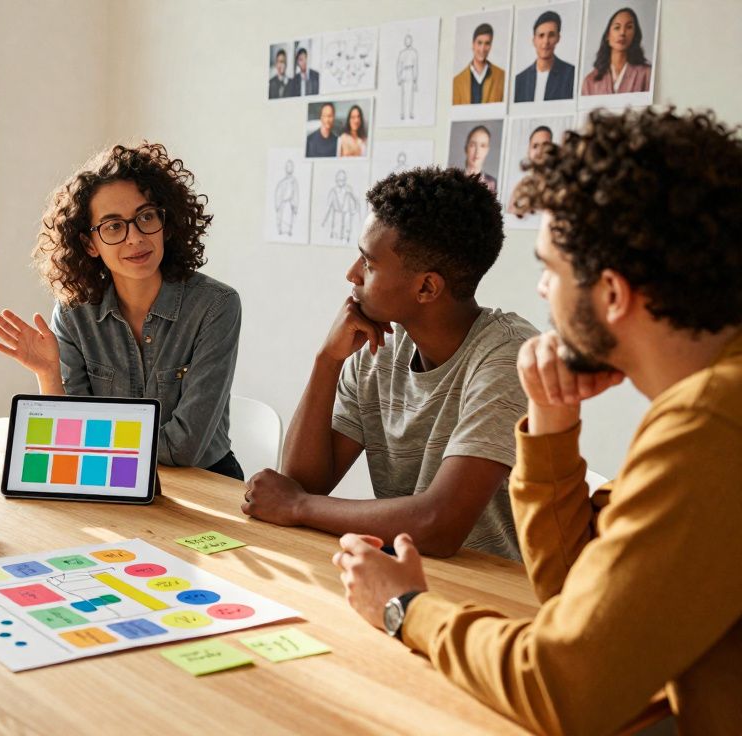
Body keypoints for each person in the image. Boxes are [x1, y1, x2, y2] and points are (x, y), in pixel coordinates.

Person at [332, 108, 742, 735]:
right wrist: (551, 426)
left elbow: (561, 686)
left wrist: (407, 608)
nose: (544, 293)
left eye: (550, 270)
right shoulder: (709, 403)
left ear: (611, 294)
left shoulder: (710, 425)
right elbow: (576, 600)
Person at [243, 166, 536, 560]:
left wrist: (299, 508)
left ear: (427, 287)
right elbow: (302, 483)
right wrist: (326, 361)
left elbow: (438, 525)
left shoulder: (508, 357)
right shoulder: (379, 344)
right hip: (402, 574)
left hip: (493, 595)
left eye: (368, 263)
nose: (352, 274)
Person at [0, 142, 244, 480]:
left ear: (166, 223)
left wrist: (93, 437)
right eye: (113, 226)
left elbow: (185, 449)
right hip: (111, 478)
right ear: (89, 244)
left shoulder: (215, 306)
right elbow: (67, 441)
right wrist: (48, 373)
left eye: (146, 217)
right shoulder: (72, 313)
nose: (135, 237)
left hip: (204, 482)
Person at [581, 7, 652, 95]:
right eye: (617, 27)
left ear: (635, 35)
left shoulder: (647, 74)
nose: (622, 33)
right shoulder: (590, 81)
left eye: (629, 27)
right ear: (607, 35)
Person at [514, 10, 576, 102]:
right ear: (534, 40)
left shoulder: (570, 74)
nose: (546, 41)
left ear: (558, 38)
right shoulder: (520, 80)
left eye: (551, 35)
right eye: (541, 35)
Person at [452, 23, 505, 104]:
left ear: (491, 46)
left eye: (487, 43)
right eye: (479, 43)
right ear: (473, 44)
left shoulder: (502, 76)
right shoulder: (457, 81)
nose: (482, 48)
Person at [509, 127, 555, 216]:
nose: (540, 151)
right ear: (528, 151)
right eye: (535, 146)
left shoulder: (560, 186)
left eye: (545, 145)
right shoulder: (520, 188)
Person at [463, 125, 498, 195]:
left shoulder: (492, 183)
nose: (477, 151)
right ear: (466, 148)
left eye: (483, 146)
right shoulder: (453, 180)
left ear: (487, 150)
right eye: (473, 145)